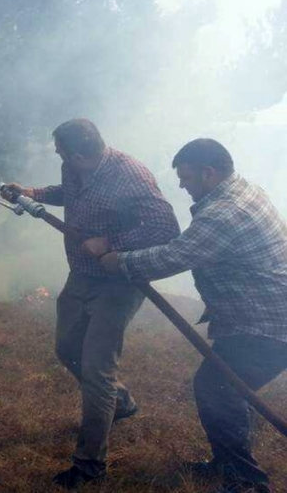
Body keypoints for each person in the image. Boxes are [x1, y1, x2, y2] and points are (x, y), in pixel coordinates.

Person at [84, 138, 287, 493]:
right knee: (226, 391)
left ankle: (247, 483)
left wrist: (116, 260)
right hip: (262, 316)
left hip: (266, 326)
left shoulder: (226, 213)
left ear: (209, 173)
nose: (181, 185)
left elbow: (173, 257)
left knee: (217, 389)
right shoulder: (242, 191)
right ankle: (228, 465)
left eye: (186, 177)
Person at [3, 119, 180, 489]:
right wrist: (32, 192)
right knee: (67, 348)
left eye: (61, 152)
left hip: (117, 283)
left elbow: (165, 228)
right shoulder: (74, 167)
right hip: (80, 275)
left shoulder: (130, 175)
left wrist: (111, 241)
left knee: (97, 371)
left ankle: (89, 465)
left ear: (80, 153)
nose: (58, 157)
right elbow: (70, 193)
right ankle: (122, 403)